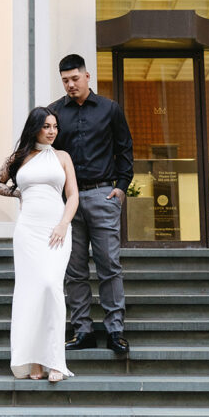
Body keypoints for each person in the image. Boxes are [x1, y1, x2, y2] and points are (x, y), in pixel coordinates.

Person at [49, 53, 133, 356]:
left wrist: (121, 188)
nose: (70, 84)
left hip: (102, 195)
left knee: (109, 265)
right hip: (66, 201)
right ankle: (82, 330)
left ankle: (115, 331)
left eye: (75, 78)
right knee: (74, 270)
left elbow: (125, 150)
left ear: (87, 77)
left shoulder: (110, 109)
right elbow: (46, 154)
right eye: (65, 80)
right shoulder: (55, 112)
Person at [0, 106, 79, 382]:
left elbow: (73, 195)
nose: (52, 131)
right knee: (31, 291)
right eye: (47, 127)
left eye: (55, 126)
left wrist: (64, 223)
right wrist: (17, 192)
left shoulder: (62, 157)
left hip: (56, 230)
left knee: (51, 286)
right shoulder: (18, 158)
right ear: (35, 128)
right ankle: (35, 363)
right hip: (28, 231)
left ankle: (54, 361)